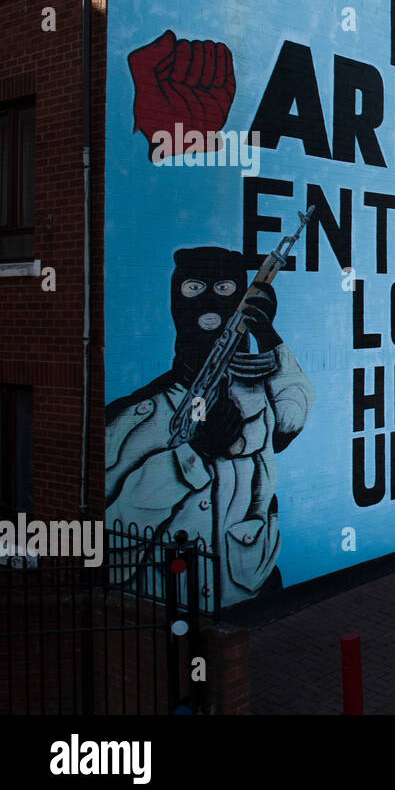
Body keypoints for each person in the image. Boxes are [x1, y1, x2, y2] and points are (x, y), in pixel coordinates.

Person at [106, 247, 314, 605]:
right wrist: (192, 456)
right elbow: (116, 525)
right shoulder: (138, 414)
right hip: (168, 599)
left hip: (249, 583)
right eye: (194, 288)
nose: (208, 304)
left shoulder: (256, 393)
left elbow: (293, 416)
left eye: (223, 290)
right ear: (177, 300)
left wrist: (269, 337)